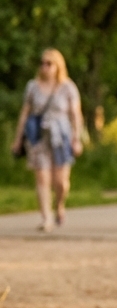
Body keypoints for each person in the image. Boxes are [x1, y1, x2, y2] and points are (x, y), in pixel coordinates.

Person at [10, 48, 84, 232]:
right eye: (42, 63)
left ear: (58, 66)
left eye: (48, 63)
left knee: (61, 182)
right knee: (42, 178)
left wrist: (76, 139)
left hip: (61, 136)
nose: (44, 67)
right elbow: (25, 114)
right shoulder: (32, 86)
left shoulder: (68, 87)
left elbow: (76, 115)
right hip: (38, 137)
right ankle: (46, 218)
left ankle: (59, 205)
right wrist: (18, 138)